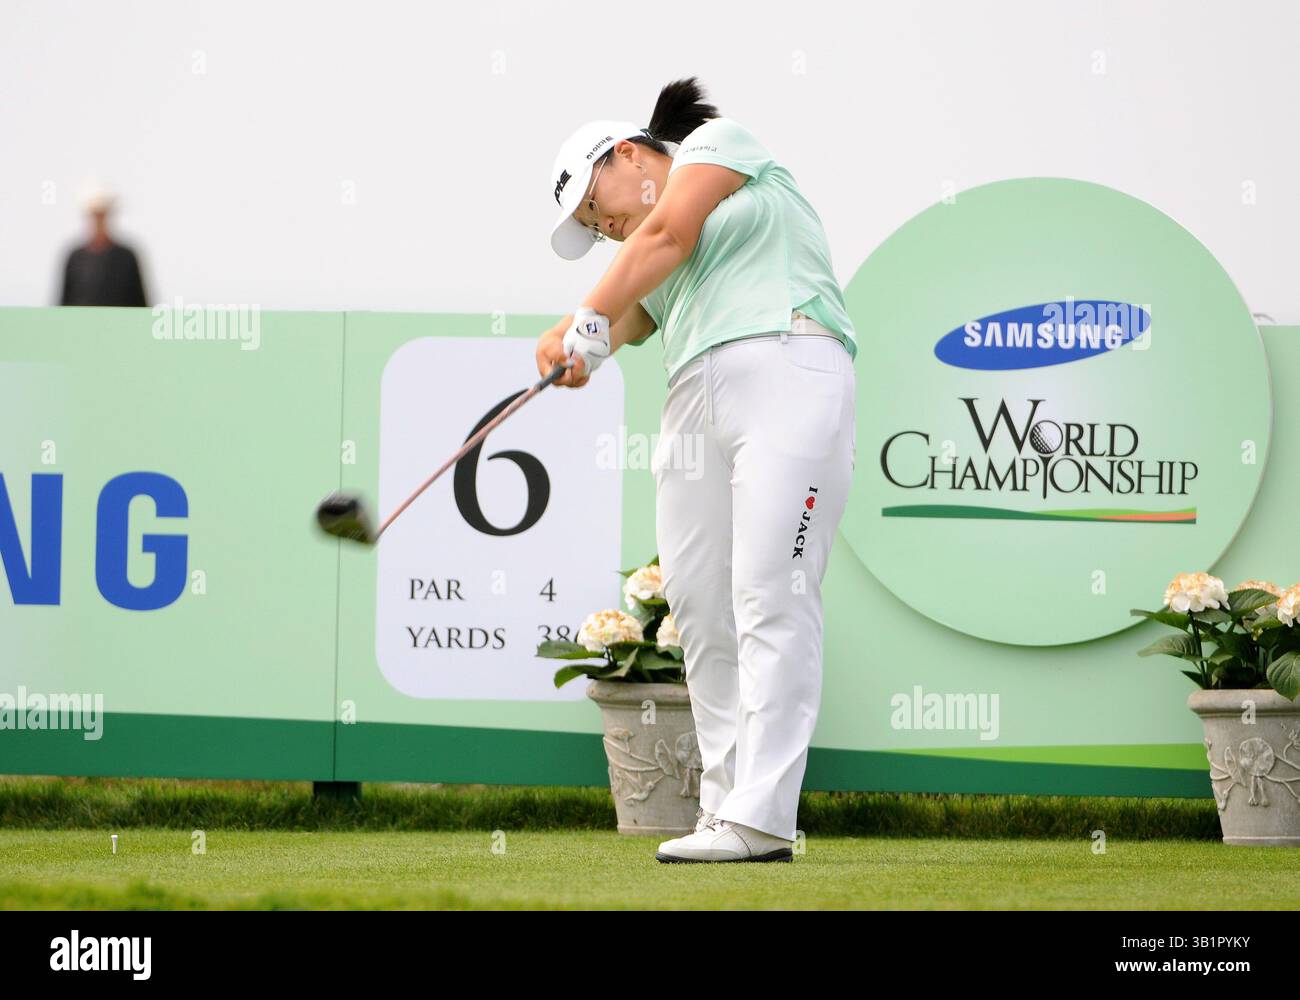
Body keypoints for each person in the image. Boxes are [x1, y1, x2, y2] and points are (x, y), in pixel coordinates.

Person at [535, 78, 858, 863]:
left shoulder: (717, 148)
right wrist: (581, 354)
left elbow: (666, 237)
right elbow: (628, 315)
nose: (602, 226)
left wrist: (578, 319)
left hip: (790, 361)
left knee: (768, 593)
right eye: (588, 224)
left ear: (631, 154)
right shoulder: (650, 265)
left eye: (594, 204)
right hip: (695, 396)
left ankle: (765, 818)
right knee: (702, 604)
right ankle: (726, 808)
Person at [59, 182, 148, 306]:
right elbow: (63, 304)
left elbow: (140, 303)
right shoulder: (76, 258)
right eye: (95, 214)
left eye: (102, 214)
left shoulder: (126, 257)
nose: (99, 220)